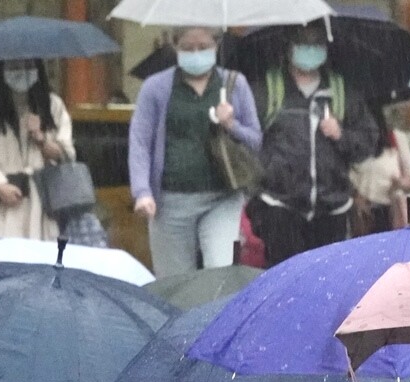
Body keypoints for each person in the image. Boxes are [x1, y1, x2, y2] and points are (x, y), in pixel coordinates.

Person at [129, 27, 261, 277]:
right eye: (188, 48)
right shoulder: (155, 88)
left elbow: (256, 140)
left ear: (216, 45)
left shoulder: (235, 84)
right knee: (173, 284)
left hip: (222, 197)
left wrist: (231, 124)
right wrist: (142, 191)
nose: (196, 53)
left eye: (203, 47)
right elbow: (140, 142)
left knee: (219, 277)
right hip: (169, 202)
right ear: (175, 47)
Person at [250, 22, 378, 266]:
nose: (310, 49)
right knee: (284, 283)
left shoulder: (342, 92)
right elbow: (246, 142)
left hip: (333, 209)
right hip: (280, 208)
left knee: (327, 283)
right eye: (303, 42)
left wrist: (341, 135)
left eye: (316, 43)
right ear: (288, 47)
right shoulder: (266, 90)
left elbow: (367, 143)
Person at [0, 59, 75, 240]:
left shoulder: (52, 105)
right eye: (14, 67)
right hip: (3, 206)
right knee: (6, 262)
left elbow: (66, 153)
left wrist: (41, 140)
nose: (22, 72)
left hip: (43, 202)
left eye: (28, 66)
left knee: (42, 260)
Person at [350, 101, 410, 234]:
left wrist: (400, 183)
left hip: (391, 212)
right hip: (361, 217)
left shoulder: (396, 138)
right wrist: (355, 197)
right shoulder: (349, 141)